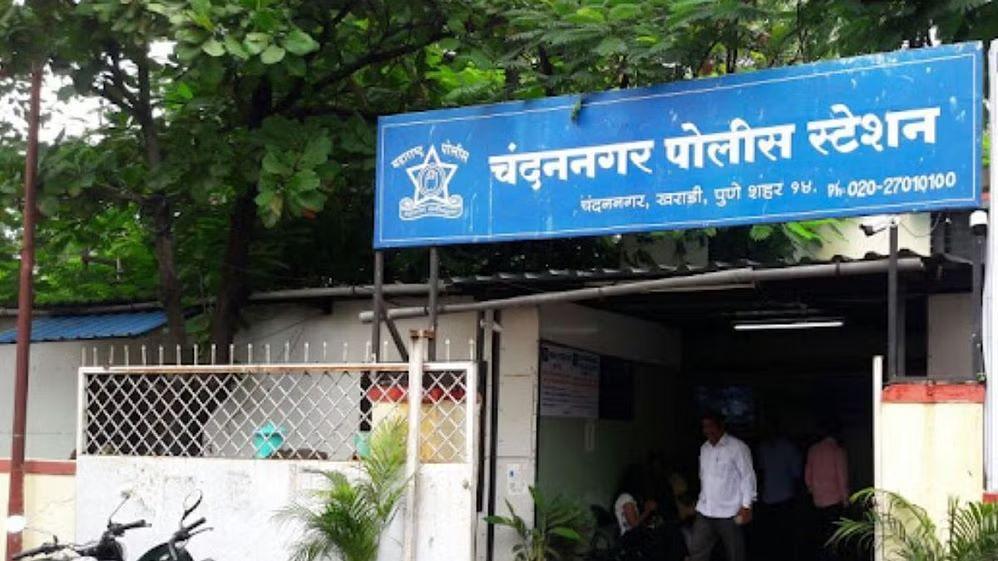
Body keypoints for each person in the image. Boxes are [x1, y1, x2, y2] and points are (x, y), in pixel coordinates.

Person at [689, 411, 757, 561]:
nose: (707, 430)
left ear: (721, 426)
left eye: (710, 426)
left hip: (729, 512)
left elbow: (747, 477)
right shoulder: (704, 448)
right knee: (696, 551)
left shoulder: (738, 447)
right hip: (705, 511)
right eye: (704, 427)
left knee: (735, 554)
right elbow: (703, 477)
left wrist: (747, 506)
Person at [756, 420, 802, 561]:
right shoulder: (788, 447)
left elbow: (760, 473)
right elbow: (796, 474)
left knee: (773, 536)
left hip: (770, 497)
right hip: (784, 497)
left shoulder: (763, 448)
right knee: (785, 536)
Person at [805, 419, 849, 561]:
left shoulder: (813, 450)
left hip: (817, 501)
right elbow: (842, 478)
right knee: (834, 536)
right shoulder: (837, 451)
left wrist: (813, 491)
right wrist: (846, 501)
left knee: (821, 535)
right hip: (834, 502)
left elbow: (807, 476)